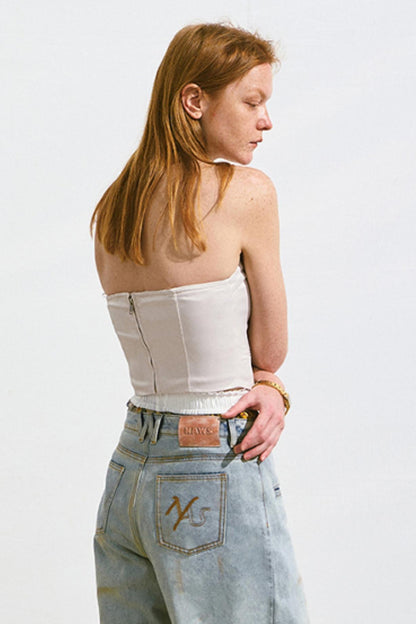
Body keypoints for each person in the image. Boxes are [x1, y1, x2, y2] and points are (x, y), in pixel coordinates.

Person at [90, 22, 309, 624]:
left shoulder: (112, 209)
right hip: (210, 467)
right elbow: (270, 349)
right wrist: (272, 385)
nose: (266, 121)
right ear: (194, 100)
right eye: (252, 101)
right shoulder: (246, 194)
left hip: (129, 474)